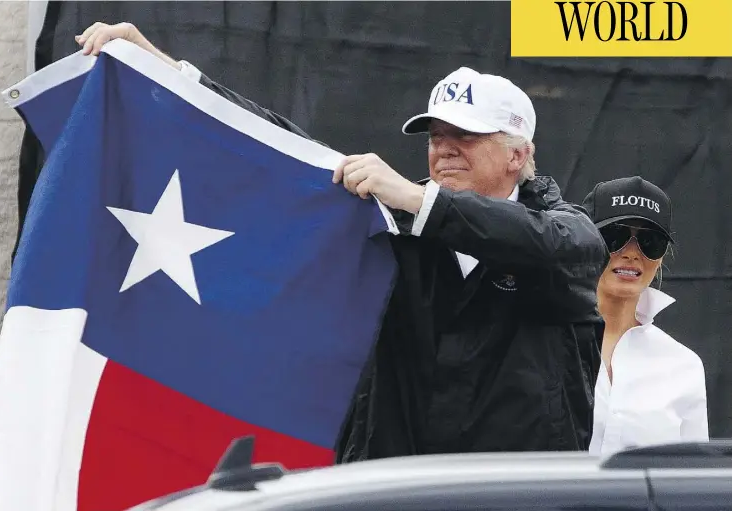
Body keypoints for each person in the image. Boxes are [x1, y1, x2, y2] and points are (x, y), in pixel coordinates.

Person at [75, 23, 609, 458]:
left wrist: (421, 204)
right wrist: (170, 74)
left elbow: (554, 243)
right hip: (393, 490)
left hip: (517, 497)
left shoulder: (564, 233)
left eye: (465, 136)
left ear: (518, 154)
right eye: (435, 136)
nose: (443, 149)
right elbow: (282, 150)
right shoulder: (392, 218)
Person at [582, 176, 709, 456]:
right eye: (614, 236)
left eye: (650, 242)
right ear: (585, 241)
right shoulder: (546, 342)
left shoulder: (683, 365)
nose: (631, 253)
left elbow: (690, 481)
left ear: (662, 256)